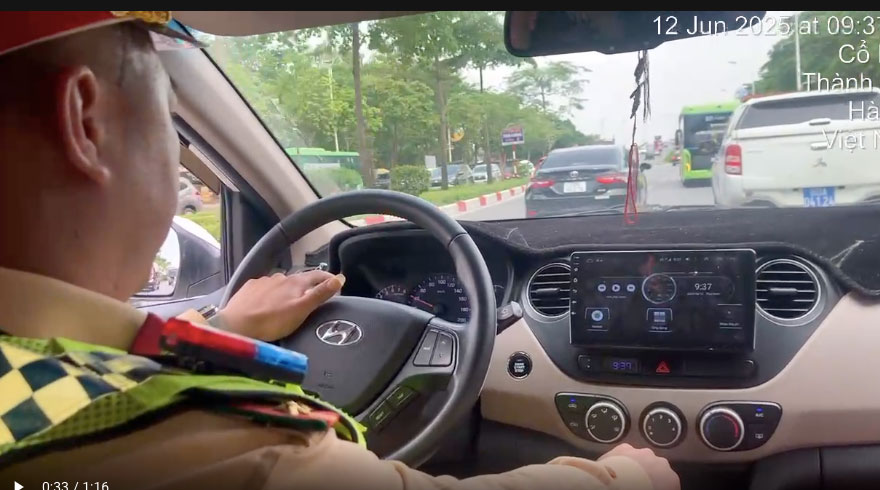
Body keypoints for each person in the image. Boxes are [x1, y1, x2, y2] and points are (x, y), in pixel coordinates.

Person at [0, 11, 680, 490]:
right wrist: (625, 476)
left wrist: (222, 331)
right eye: (170, 119)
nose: (181, 160)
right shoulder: (204, 439)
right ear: (85, 120)